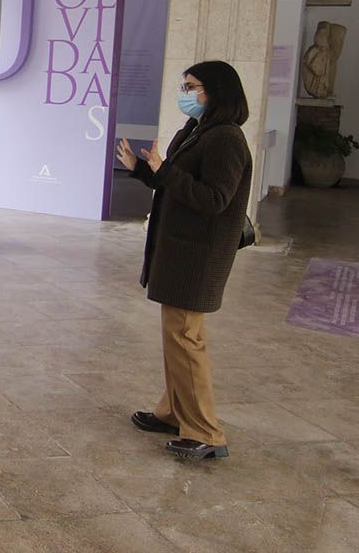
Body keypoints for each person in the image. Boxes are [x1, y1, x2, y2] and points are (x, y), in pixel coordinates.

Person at [116, 60, 252, 460]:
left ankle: (207, 432)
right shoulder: (197, 130)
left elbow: (214, 199)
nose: (185, 93)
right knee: (176, 337)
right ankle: (174, 411)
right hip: (178, 250)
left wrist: (165, 170)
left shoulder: (226, 139)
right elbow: (173, 182)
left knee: (186, 339)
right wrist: (143, 170)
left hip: (198, 255)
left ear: (216, 91)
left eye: (192, 87)